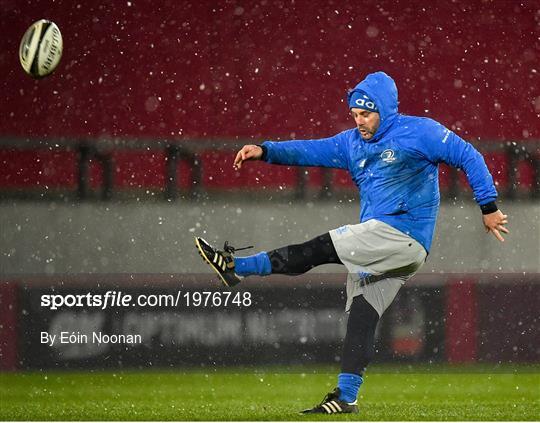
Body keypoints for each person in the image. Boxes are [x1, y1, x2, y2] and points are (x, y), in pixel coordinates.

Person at [195, 71, 509, 414]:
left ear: (386, 110)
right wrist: (266, 150)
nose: (360, 121)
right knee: (362, 318)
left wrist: (488, 206)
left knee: (317, 249)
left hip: (400, 235)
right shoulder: (351, 142)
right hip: (390, 249)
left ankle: (236, 267)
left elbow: (469, 155)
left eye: (366, 114)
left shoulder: (420, 131)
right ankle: (346, 398)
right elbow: (309, 151)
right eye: (355, 115)